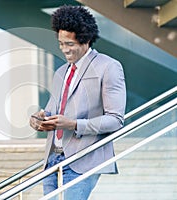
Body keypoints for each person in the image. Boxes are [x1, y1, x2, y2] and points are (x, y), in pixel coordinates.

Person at [29, 5, 126, 200]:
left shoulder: (109, 67)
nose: (65, 50)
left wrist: (73, 125)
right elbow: (50, 112)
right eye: (61, 43)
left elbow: (115, 120)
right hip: (52, 160)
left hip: (83, 159)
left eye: (70, 44)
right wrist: (39, 120)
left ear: (86, 40)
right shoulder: (60, 73)